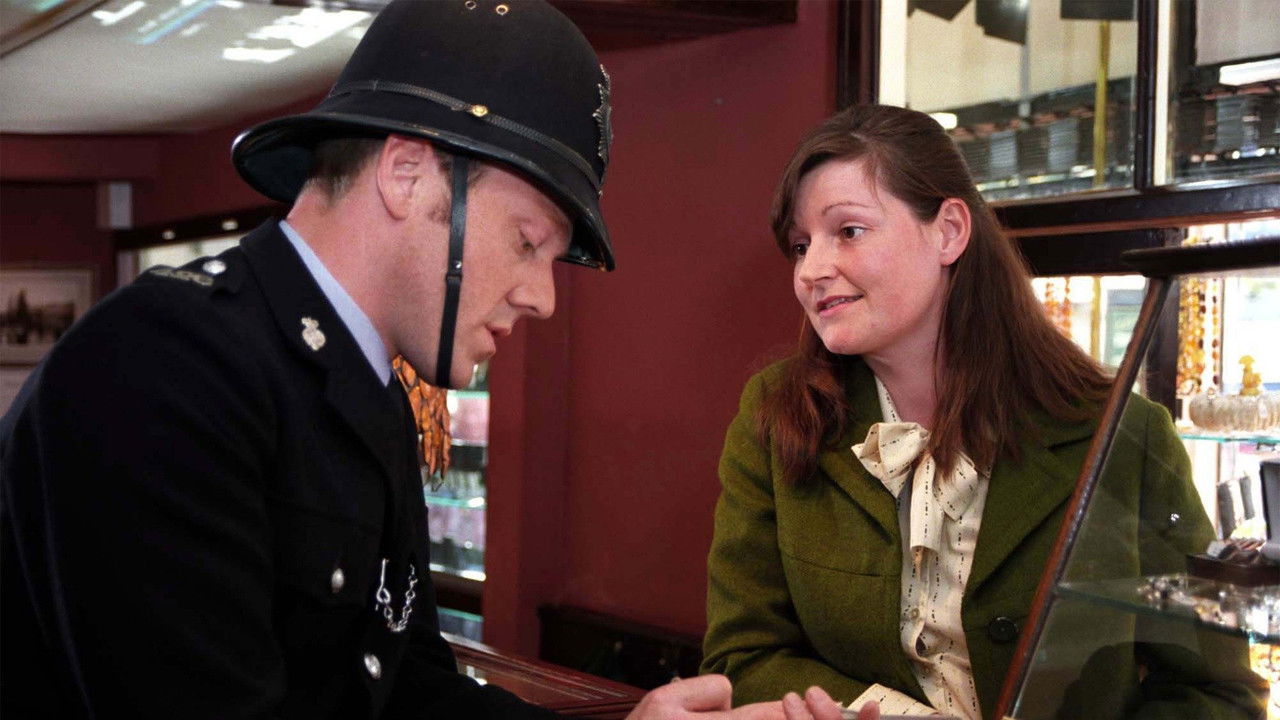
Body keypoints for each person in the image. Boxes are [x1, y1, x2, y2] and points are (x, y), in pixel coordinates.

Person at [0, 2, 855, 719]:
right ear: (406, 174)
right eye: (527, 242)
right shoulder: (160, 369)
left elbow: (406, 687)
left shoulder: (363, 390)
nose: (543, 297)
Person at [700, 104, 1266, 720]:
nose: (811, 270)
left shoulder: (1120, 433)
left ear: (948, 231)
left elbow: (1219, 694)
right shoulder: (774, 415)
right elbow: (742, 658)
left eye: (849, 231)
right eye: (800, 246)